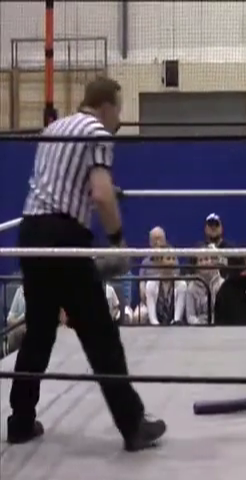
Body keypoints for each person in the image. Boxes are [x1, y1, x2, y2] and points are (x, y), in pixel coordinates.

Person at [7, 77, 166, 451]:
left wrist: (106, 189)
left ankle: (20, 421)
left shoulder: (55, 128)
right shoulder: (96, 131)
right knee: (100, 332)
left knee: (39, 331)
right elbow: (100, 193)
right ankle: (132, 425)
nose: (119, 120)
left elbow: (66, 182)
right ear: (106, 106)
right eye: (119, 111)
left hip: (32, 232)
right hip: (63, 236)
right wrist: (117, 240)